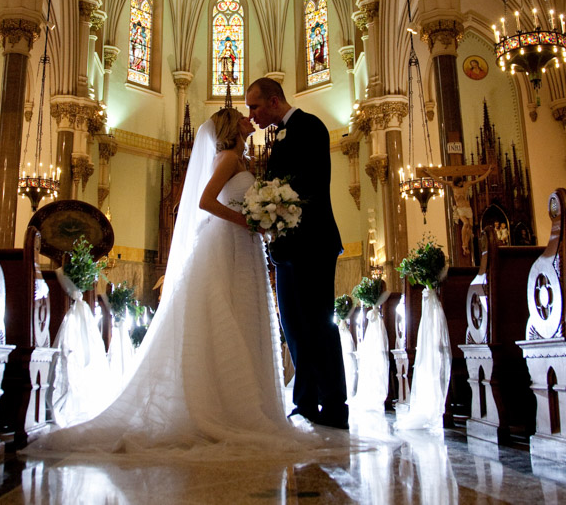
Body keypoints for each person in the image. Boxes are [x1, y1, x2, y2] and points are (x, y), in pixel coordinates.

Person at [32, 108, 319, 454]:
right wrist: (247, 221)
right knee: (225, 316)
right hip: (227, 242)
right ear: (230, 126)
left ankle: (244, 404)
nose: (249, 119)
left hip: (243, 246)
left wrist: (256, 220)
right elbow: (205, 201)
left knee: (244, 318)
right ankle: (229, 408)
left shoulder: (240, 160)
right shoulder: (227, 157)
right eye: (243, 116)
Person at [247, 77, 349, 430]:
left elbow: (312, 184)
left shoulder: (311, 127)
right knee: (293, 326)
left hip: (314, 242)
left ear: (274, 102)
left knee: (319, 323)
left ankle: (335, 405)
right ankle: (305, 401)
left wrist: (274, 204)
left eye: (255, 107)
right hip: (287, 247)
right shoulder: (277, 137)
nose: (252, 115)